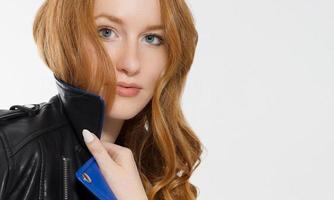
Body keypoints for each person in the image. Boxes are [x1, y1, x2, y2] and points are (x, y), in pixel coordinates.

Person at [0, 0, 203, 199]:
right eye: (106, 32)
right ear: (69, 39)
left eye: (151, 38)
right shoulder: (10, 150)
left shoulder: (155, 168)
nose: (131, 64)